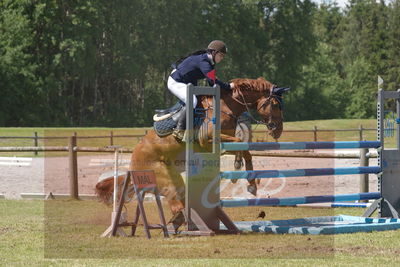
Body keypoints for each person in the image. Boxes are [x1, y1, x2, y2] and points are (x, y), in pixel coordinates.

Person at [168, 40, 234, 141]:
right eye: (221, 55)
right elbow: (213, 81)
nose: (222, 58)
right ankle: (179, 130)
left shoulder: (208, 62)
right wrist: (228, 86)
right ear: (214, 52)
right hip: (176, 81)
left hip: (186, 81)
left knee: (199, 100)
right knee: (192, 101)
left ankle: (196, 127)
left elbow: (211, 83)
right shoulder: (204, 63)